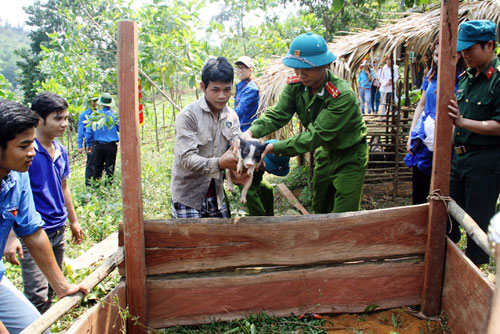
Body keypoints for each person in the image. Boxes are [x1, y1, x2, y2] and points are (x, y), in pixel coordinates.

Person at [243, 32, 368, 214]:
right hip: (326, 151)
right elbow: (278, 114)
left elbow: (314, 136)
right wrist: (251, 132)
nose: (301, 74)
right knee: (320, 205)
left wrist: (270, 148)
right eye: (296, 69)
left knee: (345, 213)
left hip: (350, 155)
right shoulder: (296, 85)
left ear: (325, 64)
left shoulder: (341, 96)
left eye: (307, 69)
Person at [0, 99, 88, 334]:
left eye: (32, 144)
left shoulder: (17, 177)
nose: (32, 152)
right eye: (23, 146)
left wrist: (62, 286)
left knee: (38, 330)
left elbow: (33, 231)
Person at [447, 20, 500, 265]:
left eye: (470, 49)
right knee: (446, 218)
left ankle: (474, 287)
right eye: (463, 49)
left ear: (489, 45)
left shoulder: (497, 80)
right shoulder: (466, 77)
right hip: (459, 159)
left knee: (477, 224)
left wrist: (462, 122)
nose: (464, 54)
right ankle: (447, 272)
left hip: (485, 162)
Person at [170, 56, 244, 218]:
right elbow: (186, 158)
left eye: (227, 89)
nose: (222, 96)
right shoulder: (189, 116)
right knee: (192, 242)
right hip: (188, 196)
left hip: (216, 195)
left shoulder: (232, 116)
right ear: (203, 87)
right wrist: (219, 163)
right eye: (215, 90)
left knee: (220, 241)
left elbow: (237, 146)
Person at [85, 93, 119, 182]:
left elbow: (89, 132)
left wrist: (88, 143)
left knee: (97, 167)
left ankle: (96, 187)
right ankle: (108, 186)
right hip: (111, 146)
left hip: (98, 146)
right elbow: (120, 128)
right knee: (110, 167)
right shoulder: (114, 116)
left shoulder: (94, 116)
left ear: (101, 103)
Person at [77, 94, 98, 186]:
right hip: (89, 143)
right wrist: (80, 145)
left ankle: (97, 182)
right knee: (90, 162)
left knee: (98, 162)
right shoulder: (84, 115)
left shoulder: (99, 113)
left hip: (98, 142)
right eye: (92, 102)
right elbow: (81, 131)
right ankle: (89, 184)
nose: (94, 104)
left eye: (95, 101)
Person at [234, 56, 259, 132]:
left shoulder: (251, 89)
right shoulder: (241, 86)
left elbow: (240, 111)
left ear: (250, 70)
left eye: (243, 68)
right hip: (240, 128)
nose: (240, 71)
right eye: (238, 68)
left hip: (247, 130)